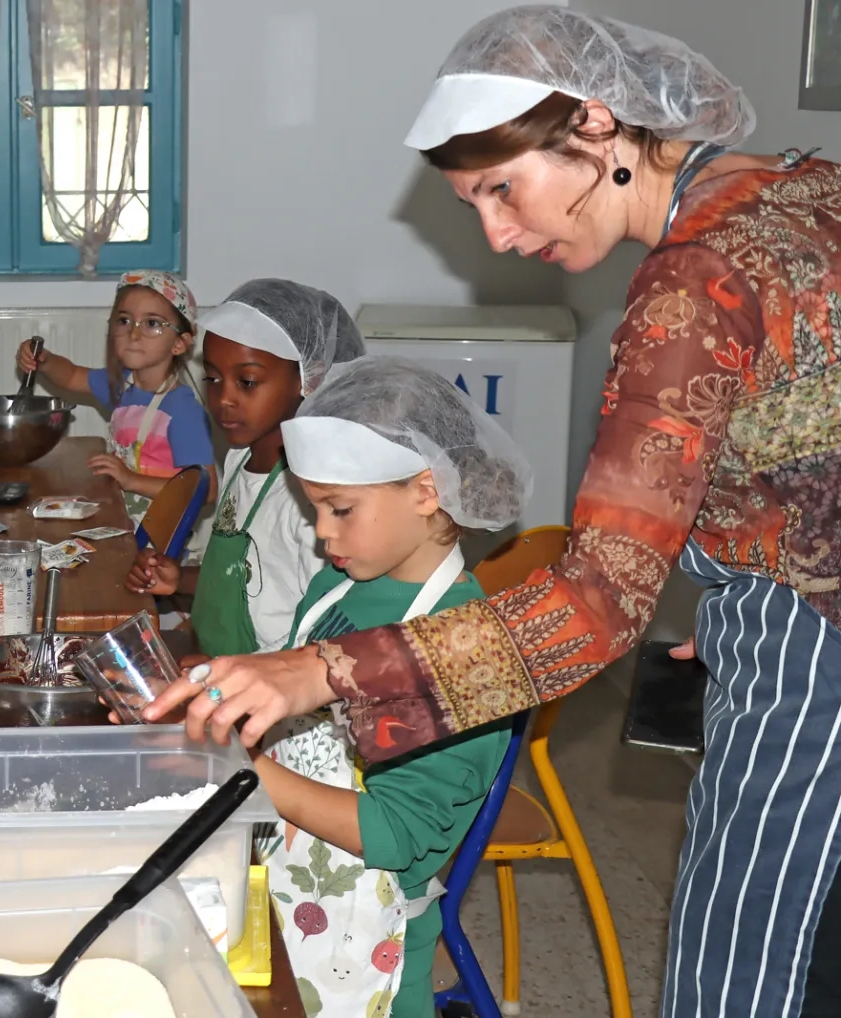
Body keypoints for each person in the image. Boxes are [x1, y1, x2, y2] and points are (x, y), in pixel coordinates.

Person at [144, 8, 841, 1015]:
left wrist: (319, 669)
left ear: (595, 125)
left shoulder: (690, 287)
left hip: (812, 666)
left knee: (746, 967)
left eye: (500, 190)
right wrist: (775, 556)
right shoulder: (806, 191)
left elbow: (591, 603)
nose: (498, 235)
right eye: (473, 203)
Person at [257, 356, 526, 1018]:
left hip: (369, 950)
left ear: (426, 491)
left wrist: (245, 774)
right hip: (288, 888)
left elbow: (397, 833)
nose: (321, 532)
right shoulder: (336, 587)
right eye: (314, 508)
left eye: (340, 509)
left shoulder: (461, 648)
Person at [126, 279, 364, 656]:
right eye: (213, 379)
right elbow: (245, 577)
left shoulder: (312, 501)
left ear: (311, 378)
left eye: (247, 382)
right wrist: (179, 579)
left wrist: (234, 676)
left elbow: (322, 637)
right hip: (218, 658)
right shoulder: (238, 458)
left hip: (271, 676)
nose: (224, 399)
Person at [17, 270, 215, 528]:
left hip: (155, 542)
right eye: (124, 320)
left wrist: (130, 480)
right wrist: (45, 361)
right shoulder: (122, 385)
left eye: (152, 323)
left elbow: (206, 491)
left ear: (179, 343)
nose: (133, 334)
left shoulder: (183, 411)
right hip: (121, 521)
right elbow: (72, 376)